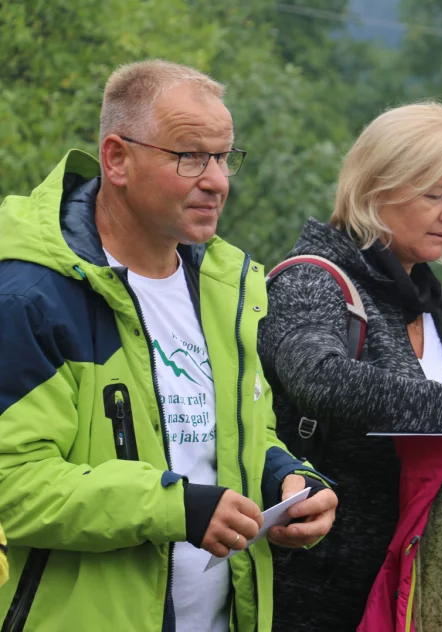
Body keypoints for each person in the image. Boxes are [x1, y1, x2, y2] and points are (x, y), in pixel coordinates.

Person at [0, 60, 337, 631]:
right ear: (117, 158)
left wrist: (284, 476)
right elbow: (14, 485)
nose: (217, 180)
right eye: (189, 156)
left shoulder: (226, 289)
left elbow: (219, 435)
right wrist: (174, 507)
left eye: (225, 156)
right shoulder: (33, 294)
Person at [259, 101, 442, 630]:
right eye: (435, 194)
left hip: (426, 594)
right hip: (323, 600)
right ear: (375, 187)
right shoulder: (312, 280)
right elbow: (318, 378)